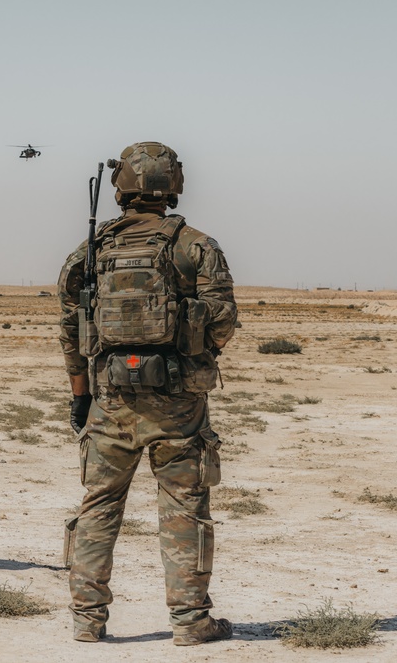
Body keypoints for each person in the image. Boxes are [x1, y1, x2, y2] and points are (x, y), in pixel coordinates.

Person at [58, 142, 238, 645]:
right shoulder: (195, 246)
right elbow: (223, 321)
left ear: (120, 188)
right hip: (179, 402)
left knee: (98, 507)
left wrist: (80, 397)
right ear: (173, 185)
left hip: (109, 400)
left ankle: (86, 621)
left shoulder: (90, 251)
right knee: (184, 508)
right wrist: (191, 351)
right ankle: (189, 623)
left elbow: (71, 331)